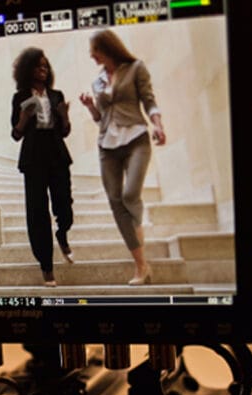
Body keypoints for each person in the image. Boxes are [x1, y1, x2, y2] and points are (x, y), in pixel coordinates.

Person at [78, 29, 165, 286]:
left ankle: (135, 224)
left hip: (137, 137)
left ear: (106, 48)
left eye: (94, 51)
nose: (92, 57)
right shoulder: (98, 82)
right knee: (116, 202)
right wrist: (91, 107)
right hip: (107, 145)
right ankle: (141, 266)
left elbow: (149, 100)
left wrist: (158, 124)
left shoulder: (136, 68)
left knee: (130, 195)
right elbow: (100, 118)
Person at [9, 47, 77, 288]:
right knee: (37, 213)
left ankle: (62, 233)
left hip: (57, 154)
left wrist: (65, 116)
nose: (43, 70)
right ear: (28, 69)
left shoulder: (57, 95)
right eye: (38, 66)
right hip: (33, 157)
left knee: (64, 204)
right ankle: (46, 267)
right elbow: (16, 134)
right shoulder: (19, 98)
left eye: (46, 66)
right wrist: (24, 119)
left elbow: (65, 131)